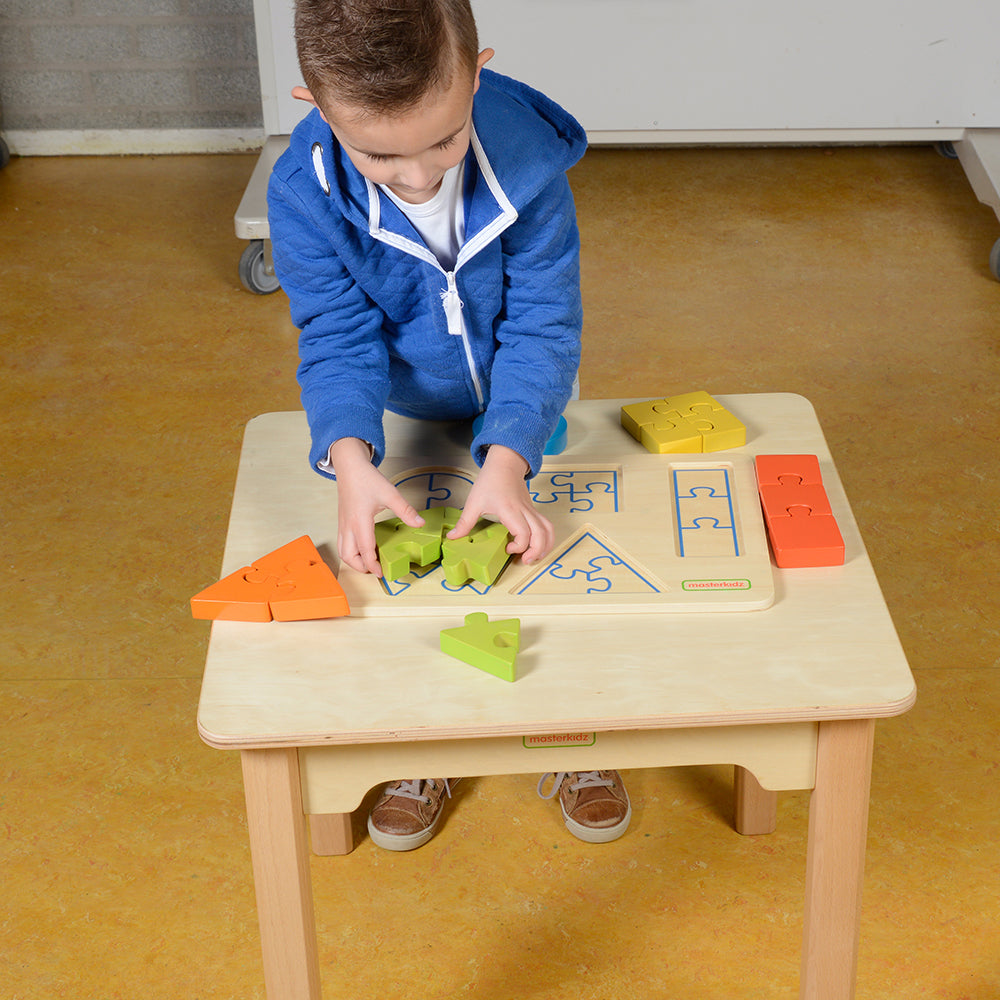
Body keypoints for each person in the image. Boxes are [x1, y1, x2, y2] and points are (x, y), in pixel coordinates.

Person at [268, 0, 630, 850]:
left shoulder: (532, 164)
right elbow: (336, 334)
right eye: (380, 153)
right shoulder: (303, 192)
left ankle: (574, 737)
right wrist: (352, 459)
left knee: (557, 570)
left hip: (528, 397)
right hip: (402, 405)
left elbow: (542, 323)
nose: (420, 177)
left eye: (443, 139)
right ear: (317, 108)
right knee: (411, 585)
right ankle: (421, 746)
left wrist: (510, 456)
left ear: (476, 74)